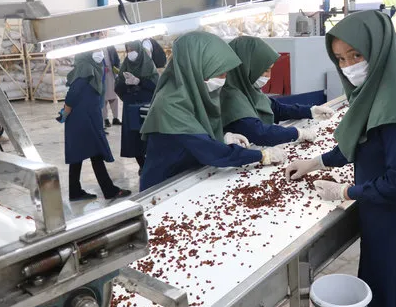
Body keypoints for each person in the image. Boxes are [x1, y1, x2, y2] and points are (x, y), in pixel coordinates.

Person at [286, 11, 396, 307]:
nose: (348, 65)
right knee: (387, 302)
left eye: (355, 55)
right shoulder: (379, 91)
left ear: (377, 48)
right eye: (340, 59)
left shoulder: (395, 105)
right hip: (383, 219)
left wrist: (346, 192)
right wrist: (317, 162)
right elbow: (360, 140)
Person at [139, 31, 287, 191]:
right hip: (164, 186)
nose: (223, 79)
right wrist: (262, 156)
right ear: (198, 66)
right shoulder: (169, 104)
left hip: (190, 175)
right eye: (220, 73)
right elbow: (211, 152)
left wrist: (220, 137)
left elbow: (198, 134)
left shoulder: (195, 93)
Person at [221, 36, 334, 147]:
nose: (268, 76)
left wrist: (310, 111)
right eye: (265, 70)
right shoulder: (230, 97)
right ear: (247, 67)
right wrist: (298, 133)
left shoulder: (248, 89)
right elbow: (260, 133)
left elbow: (275, 109)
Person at [63, 51, 131, 202]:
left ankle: (75, 191)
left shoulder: (93, 69)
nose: (99, 54)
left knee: (79, 155)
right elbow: (72, 95)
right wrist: (65, 112)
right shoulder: (86, 70)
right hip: (84, 120)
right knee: (96, 153)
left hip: (85, 118)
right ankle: (109, 190)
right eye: (95, 51)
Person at [115, 41, 160, 172]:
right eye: (127, 50)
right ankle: (142, 164)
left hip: (145, 105)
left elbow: (156, 86)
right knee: (133, 137)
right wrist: (125, 83)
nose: (130, 53)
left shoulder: (149, 65)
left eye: (132, 49)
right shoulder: (125, 66)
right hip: (130, 106)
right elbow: (118, 88)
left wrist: (139, 81)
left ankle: (152, 163)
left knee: (149, 136)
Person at [103, 45, 122, 128]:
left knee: (114, 97)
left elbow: (116, 59)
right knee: (104, 99)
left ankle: (115, 118)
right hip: (102, 76)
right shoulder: (95, 48)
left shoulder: (110, 46)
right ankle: (105, 119)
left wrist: (117, 68)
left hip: (111, 74)